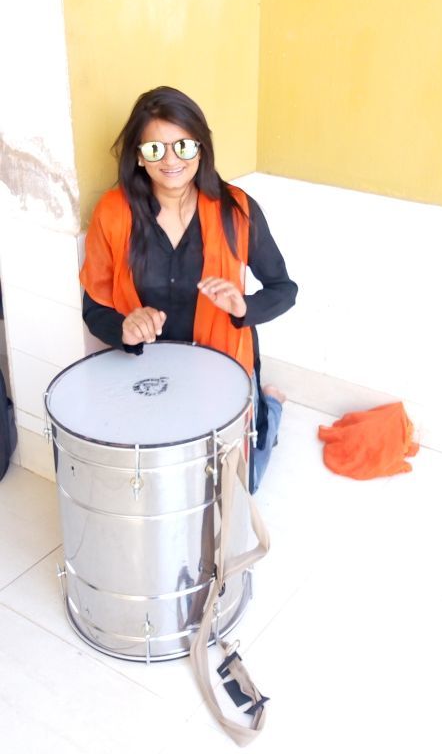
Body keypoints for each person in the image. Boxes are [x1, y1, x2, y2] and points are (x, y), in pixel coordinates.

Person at [80, 85, 298, 492]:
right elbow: (94, 309)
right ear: (138, 157)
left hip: (224, 368)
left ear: (201, 148)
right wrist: (124, 327)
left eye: (182, 145)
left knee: (242, 486)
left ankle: (270, 407)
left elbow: (284, 289)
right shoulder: (112, 213)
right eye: (154, 149)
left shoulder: (237, 208)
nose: (170, 161)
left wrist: (242, 307)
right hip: (150, 374)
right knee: (158, 486)